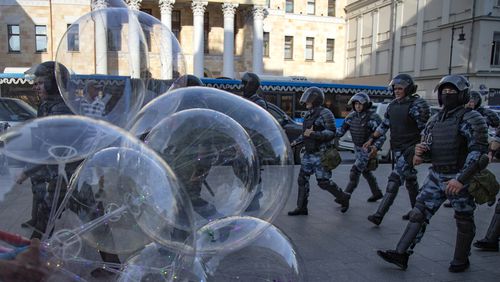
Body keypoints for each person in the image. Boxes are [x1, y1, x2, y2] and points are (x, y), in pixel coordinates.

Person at [377, 75, 489, 273]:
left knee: (463, 218)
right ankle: (401, 253)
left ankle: (461, 259)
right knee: (418, 212)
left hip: (459, 176)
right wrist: (421, 152)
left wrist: (461, 179)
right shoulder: (435, 119)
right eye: (444, 92)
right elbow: (430, 147)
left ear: (462, 94)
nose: (447, 95)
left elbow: (479, 154)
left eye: (452, 92)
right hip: (436, 175)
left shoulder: (472, 118)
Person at [364, 74, 430, 225]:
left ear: (409, 89)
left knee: (394, 180)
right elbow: (384, 126)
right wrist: (371, 139)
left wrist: (420, 152)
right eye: (395, 88)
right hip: (397, 148)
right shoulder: (392, 106)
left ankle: (379, 215)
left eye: (400, 88)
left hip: (410, 149)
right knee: (410, 180)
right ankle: (417, 211)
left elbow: (425, 131)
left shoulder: (417, 105)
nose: (397, 91)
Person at [17, 61, 73, 232]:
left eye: (41, 82)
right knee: (44, 222)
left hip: (67, 176)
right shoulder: (47, 106)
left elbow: (51, 148)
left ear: (54, 84)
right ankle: (33, 250)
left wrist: (27, 171)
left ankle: (31, 253)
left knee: (44, 222)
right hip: (62, 175)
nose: (36, 87)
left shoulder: (60, 110)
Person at [288, 87, 350, 215]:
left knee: (323, 182)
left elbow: (331, 133)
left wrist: (314, 134)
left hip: (321, 154)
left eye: (308, 100)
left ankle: (343, 197)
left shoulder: (325, 113)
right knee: (302, 179)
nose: (306, 103)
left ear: (315, 99)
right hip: (309, 153)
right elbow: (305, 134)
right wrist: (294, 142)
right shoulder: (308, 114)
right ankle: (302, 207)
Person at [336, 92, 385, 202]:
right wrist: (325, 135)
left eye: (360, 104)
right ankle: (377, 193)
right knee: (366, 171)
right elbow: (340, 131)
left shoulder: (373, 117)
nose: (358, 106)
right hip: (357, 148)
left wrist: (375, 147)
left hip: (367, 149)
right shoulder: (351, 117)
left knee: (355, 171)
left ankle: (345, 197)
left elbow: (381, 136)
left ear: (366, 104)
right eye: (356, 103)